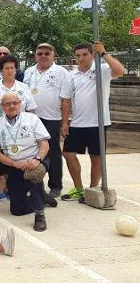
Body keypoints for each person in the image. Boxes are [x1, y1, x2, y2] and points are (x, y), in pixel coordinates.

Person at [60, 41, 124, 202]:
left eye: (85, 55)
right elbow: (66, 100)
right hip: (77, 123)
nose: (81, 58)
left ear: (92, 54)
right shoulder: (71, 75)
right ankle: (79, 189)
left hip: (98, 123)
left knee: (96, 158)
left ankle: (92, 190)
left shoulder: (102, 70)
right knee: (68, 154)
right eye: (78, 55)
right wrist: (65, 122)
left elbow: (120, 71)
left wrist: (103, 53)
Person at [0, 92, 51, 231]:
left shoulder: (32, 119)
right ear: (2, 106)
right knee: (17, 211)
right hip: (14, 165)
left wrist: (37, 159)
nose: (12, 106)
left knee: (34, 175)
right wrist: (15, 164)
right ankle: (42, 197)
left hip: (35, 161)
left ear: (20, 103)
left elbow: (45, 144)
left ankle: (39, 214)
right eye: (7, 104)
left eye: (15, 103)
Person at [23, 43, 70, 198]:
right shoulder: (29, 72)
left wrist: (64, 122)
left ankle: (55, 185)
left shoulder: (61, 72)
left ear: (53, 55)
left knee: (53, 152)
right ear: (35, 55)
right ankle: (34, 184)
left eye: (46, 53)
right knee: (32, 151)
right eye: (40, 53)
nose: (43, 56)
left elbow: (65, 99)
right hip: (31, 119)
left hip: (52, 119)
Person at [0, 54, 37, 127]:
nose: (10, 70)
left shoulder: (24, 87)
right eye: (6, 68)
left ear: (15, 70)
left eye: (12, 68)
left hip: (21, 131)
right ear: (1, 70)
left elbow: (31, 110)